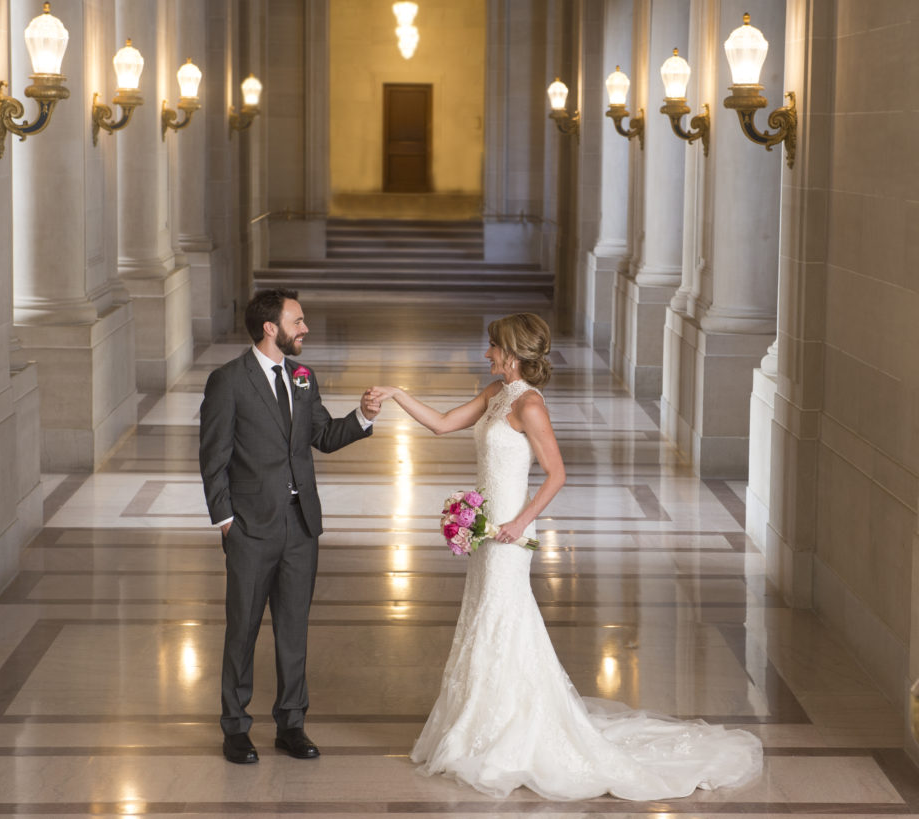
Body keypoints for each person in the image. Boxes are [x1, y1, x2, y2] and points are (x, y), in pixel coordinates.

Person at [370, 312, 762, 800]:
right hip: (488, 530)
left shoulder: (529, 405)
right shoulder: (497, 394)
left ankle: (506, 729)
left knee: (500, 616)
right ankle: (485, 722)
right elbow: (443, 425)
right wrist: (396, 393)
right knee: (487, 618)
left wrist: (518, 522)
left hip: (509, 535)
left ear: (512, 352)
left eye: (492, 346)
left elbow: (556, 473)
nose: (485, 353)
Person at [199, 288, 381, 765]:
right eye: (297, 321)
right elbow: (213, 457)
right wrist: (225, 521)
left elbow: (320, 436)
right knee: (242, 629)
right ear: (270, 328)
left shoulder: (303, 377)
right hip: (250, 529)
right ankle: (236, 728)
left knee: (293, 630)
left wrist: (362, 416)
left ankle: (291, 724)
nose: (305, 329)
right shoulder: (228, 381)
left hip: (301, 527)